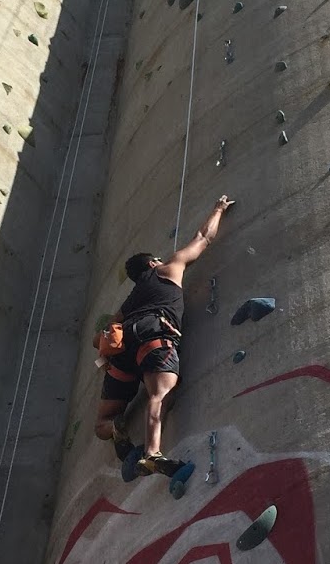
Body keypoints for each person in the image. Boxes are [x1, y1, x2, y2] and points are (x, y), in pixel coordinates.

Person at [93, 195, 235, 477]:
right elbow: (203, 238)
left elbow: (102, 335)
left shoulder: (129, 301)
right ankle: (152, 454)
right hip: (154, 336)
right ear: (152, 263)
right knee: (159, 394)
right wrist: (218, 208)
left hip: (123, 348)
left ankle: (115, 427)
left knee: (102, 421)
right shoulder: (169, 269)